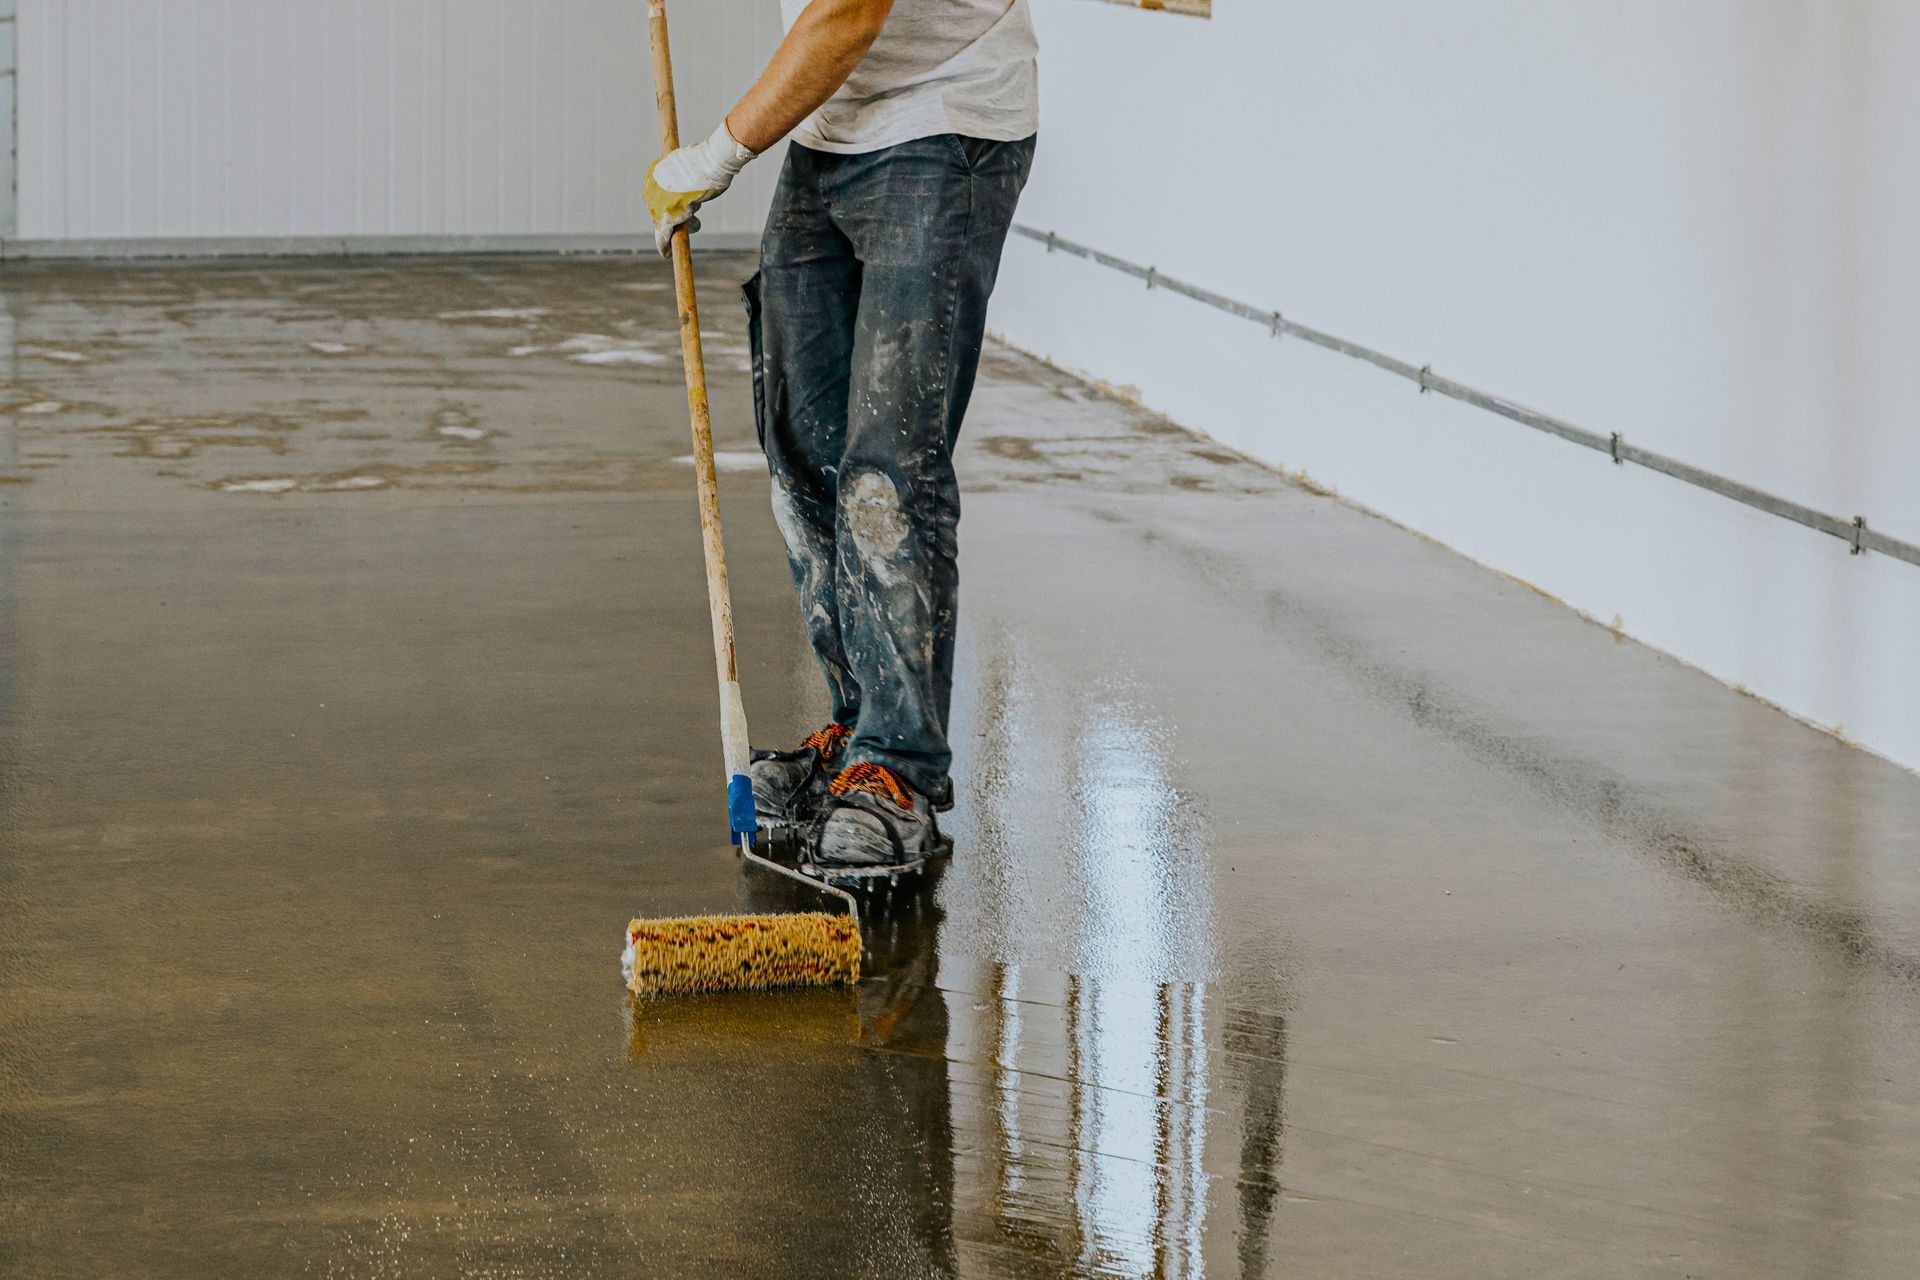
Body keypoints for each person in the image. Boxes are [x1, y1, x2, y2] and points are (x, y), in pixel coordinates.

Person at [644, 0, 1038, 878]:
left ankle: (898, 769)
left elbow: (848, 15)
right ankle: (862, 727)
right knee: (804, 453)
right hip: (832, 128)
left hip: (947, 124)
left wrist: (713, 156)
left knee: (887, 476)